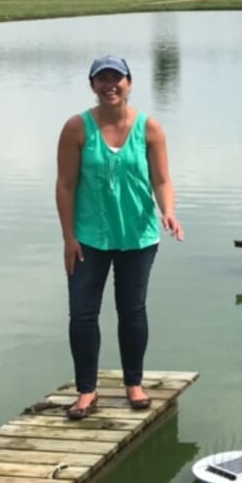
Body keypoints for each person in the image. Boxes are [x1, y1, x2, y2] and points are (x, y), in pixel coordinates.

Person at [56, 55, 183, 420]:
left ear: (129, 83)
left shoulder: (150, 129)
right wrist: (68, 236)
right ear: (92, 85)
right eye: (102, 79)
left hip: (138, 236)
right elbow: (65, 185)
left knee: (132, 310)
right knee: (82, 314)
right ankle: (86, 390)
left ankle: (134, 384)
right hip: (88, 237)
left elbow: (161, 180)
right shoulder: (76, 128)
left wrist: (169, 211)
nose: (110, 85)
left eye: (117, 78)